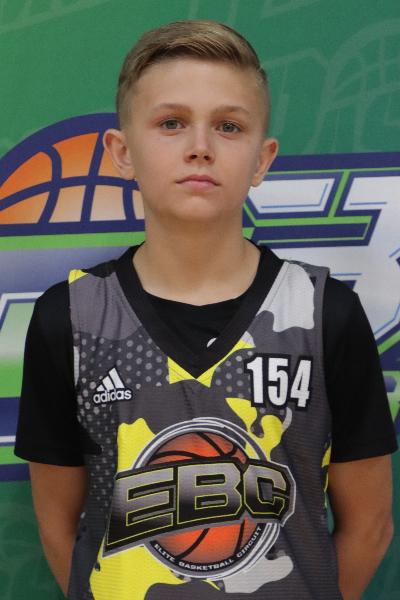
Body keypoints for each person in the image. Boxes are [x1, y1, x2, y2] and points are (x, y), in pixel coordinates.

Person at [15, 20, 397, 600]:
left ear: (262, 159)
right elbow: (60, 528)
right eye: (171, 123)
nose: (200, 146)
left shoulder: (326, 315)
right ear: (122, 151)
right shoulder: (69, 319)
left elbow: (369, 526)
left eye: (228, 126)